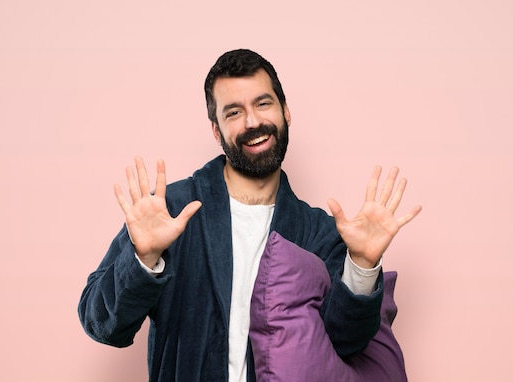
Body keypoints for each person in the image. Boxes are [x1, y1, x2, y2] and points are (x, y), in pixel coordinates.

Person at [78, 49, 421, 381]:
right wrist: (143, 258)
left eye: (263, 103)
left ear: (286, 112)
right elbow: (101, 323)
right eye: (233, 112)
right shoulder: (170, 209)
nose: (253, 121)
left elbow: (345, 344)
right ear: (216, 131)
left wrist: (361, 264)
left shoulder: (322, 233)